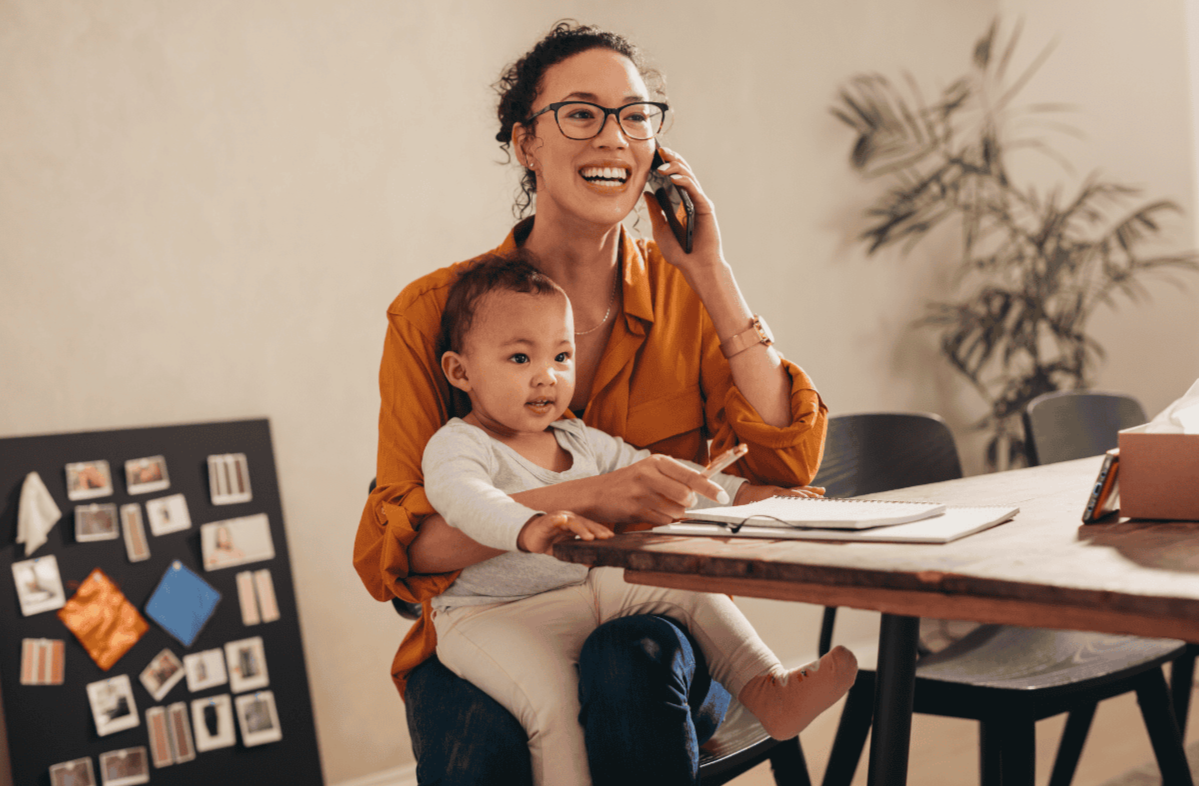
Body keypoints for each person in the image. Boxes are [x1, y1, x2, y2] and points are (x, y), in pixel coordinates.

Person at [353, 20, 831, 786]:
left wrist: (710, 271)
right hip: (497, 626)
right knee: (478, 751)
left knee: (630, 661)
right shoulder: (433, 314)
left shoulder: (688, 293)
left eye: (635, 115)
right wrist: (588, 500)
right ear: (524, 144)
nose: (612, 137)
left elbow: (784, 458)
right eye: (580, 113)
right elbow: (402, 551)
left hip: (656, 634)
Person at [423, 253, 856, 786]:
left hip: (583, 591)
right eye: (519, 359)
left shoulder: (578, 438)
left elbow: (663, 475)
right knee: (552, 704)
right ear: (459, 371)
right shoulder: (459, 444)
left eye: (561, 356)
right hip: (492, 617)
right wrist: (527, 526)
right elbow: (462, 500)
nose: (546, 377)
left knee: (679, 580)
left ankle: (770, 689)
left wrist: (753, 494)